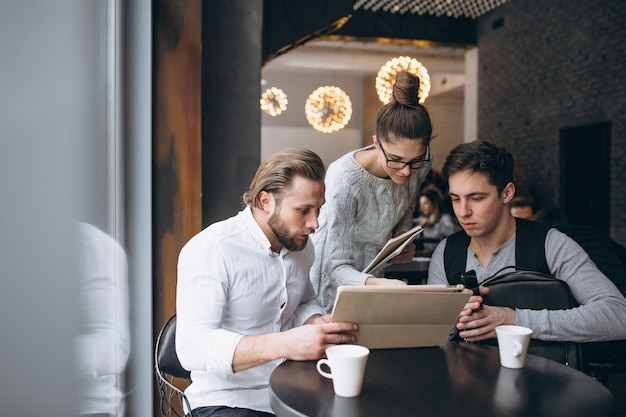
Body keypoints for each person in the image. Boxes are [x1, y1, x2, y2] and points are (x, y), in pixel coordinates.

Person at [175, 148, 357, 417]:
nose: (315, 223)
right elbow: (192, 348)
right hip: (225, 401)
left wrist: (314, 321)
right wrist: (286, 343)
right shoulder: (212, 248)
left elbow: (304, 300)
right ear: (265, 201)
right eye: (303, 210)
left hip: (292, 390)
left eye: (318, 209)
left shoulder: (302, 247)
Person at [427, 140, 626, 343]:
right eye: (455, 199)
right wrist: (452, 318)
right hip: (465, 373)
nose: (463, 212)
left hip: (545, 373)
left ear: (507, 193)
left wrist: (515, 320)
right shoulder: (445, 253)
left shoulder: (550, 245)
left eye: (476, 198)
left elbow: (618, 315)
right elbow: (431, 335)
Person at [310, 71, 434, 312]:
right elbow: (335, 267)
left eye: (415, 160)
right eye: (396, 160)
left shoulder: (423, 162)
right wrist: (380, 285)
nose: (407, 172)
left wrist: (402, 238)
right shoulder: (345, 179)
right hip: (326, 291)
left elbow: (406, 204)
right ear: (376, 143)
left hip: (375, 284)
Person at [413, 187, 461, 255]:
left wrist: (437, 224)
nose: (422, 207)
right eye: (421, 204)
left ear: (433, 203)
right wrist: (419, 227)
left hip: (443, 256)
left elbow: (456, 234)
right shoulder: (422, 220)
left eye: (426, 203)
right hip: (426, 256)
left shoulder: (445, 218)